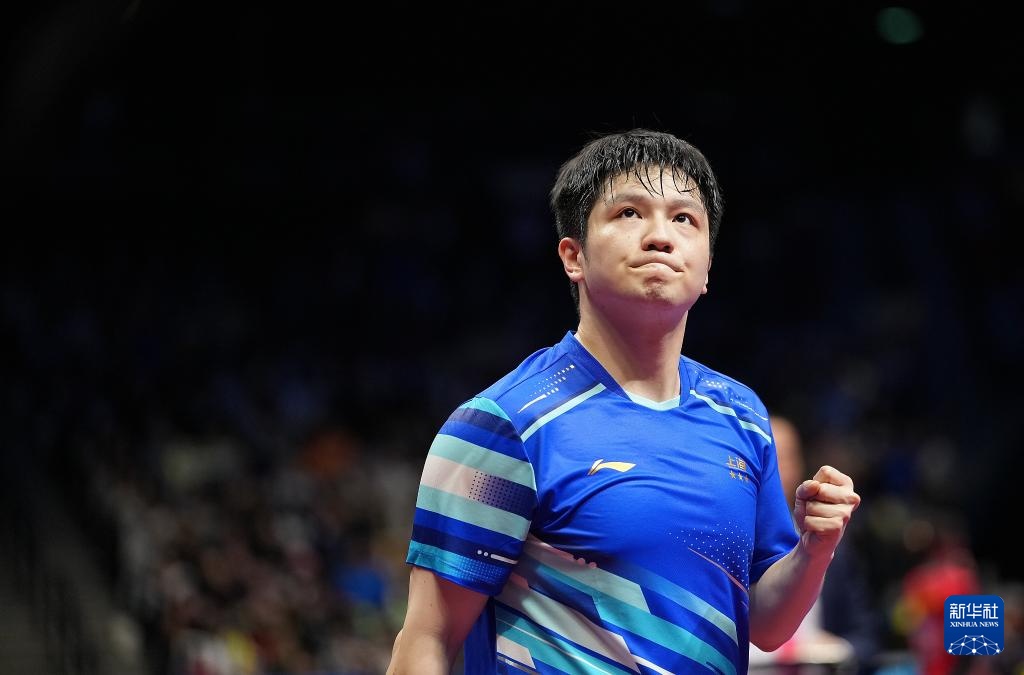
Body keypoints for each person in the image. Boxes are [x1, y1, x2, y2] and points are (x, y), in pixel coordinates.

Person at [387, 128, 861, 674]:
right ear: (574, 256)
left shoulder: (743, 418)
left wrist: (814, 550)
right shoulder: (504, 426)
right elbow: (428, 638)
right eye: (629, 213)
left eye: (684, 219)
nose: (660, 236)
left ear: (708, 267)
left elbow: (768, 627)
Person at [749, 415, 880, 674]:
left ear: (799, 466)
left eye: (783, 458)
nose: (772, 470)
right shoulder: (717, 544)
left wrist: (838, 651)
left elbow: (866, 638)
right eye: (762, 458)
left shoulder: (832, 542)